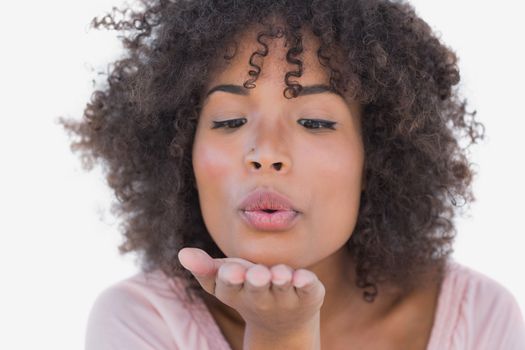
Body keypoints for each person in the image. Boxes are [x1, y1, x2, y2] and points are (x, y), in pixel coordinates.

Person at [61, 0, 525, 349]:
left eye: (316, 122)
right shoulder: (141, 321)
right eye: (228, 121)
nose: (266, 152)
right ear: (181, 153)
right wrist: (279, 334)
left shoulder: (477, 318)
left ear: (378, 156)